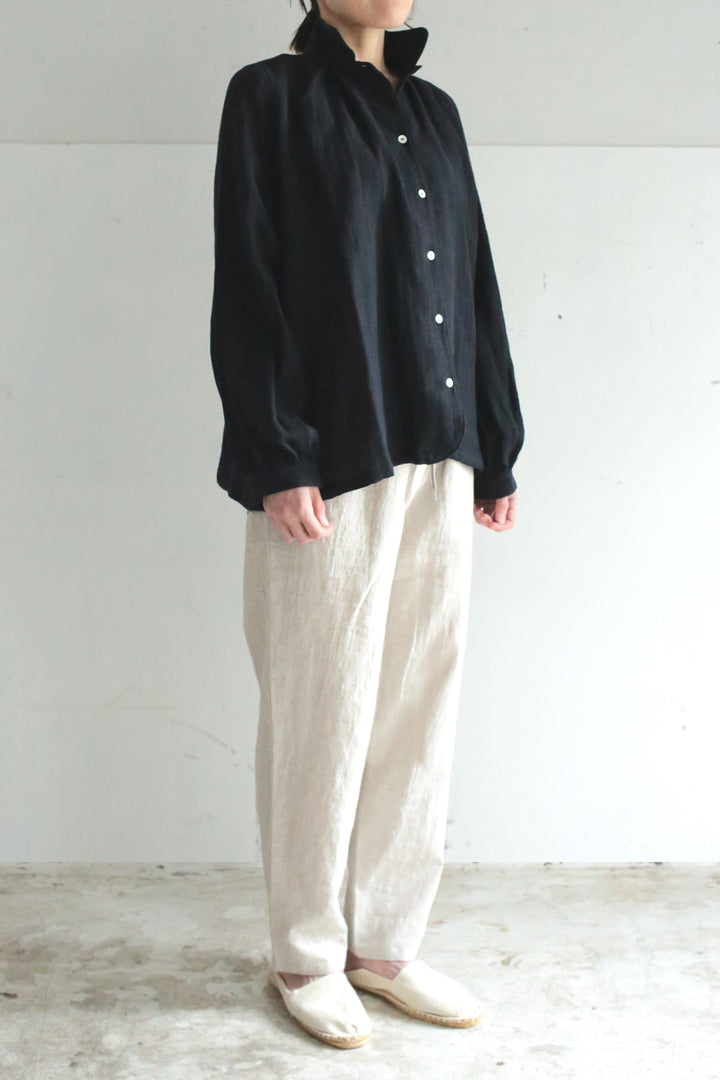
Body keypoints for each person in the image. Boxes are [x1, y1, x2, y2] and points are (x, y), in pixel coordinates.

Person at [209, 0, 524, 1051]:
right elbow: (249, 280)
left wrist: (496, 439)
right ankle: (306, 951)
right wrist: (276, 453)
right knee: (323, 710)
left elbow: (474, 279)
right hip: (331, 454)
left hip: (440, 442)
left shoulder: (436, 113)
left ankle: (385, 943)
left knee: (418, 704)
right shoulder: (269, 97)